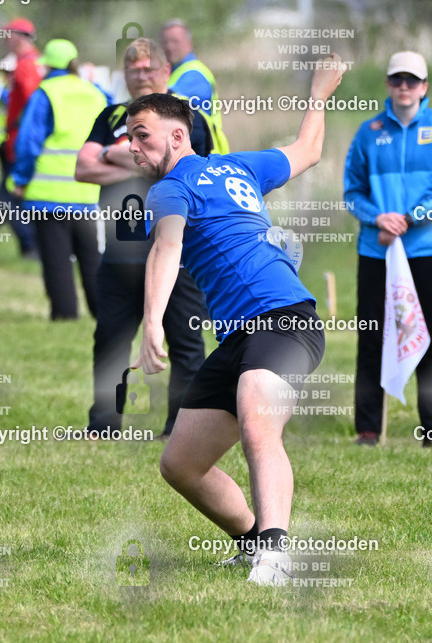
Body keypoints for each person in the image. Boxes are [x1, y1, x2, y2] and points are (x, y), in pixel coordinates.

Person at [130, 54, 346, 585]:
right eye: (129, 137)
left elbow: (167, 247)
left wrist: (152, 320)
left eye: (141, 135)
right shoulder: (237, 166)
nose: (132, 147)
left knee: (257, 418)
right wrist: (318, 94)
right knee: (180, 465)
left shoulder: (169, 188)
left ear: (178, 136)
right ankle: (252, 543)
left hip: (286, 318)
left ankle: (276, 553)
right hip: (236, 336)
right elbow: (308, 150)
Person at [75, 37, 210, 436]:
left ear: (166, 72)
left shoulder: (187, 117)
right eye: (133, 69)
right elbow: (83, 169)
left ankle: (180, 427)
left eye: (149, 68)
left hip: (176, 253)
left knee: (185, 343)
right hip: (121, 250)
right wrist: (144, 164)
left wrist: (115, 156)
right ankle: (103, 424)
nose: (141, 75)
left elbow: (188, 171)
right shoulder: (111, 114)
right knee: (110, 341)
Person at [344, 51, 432, 446]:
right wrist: (378, 219)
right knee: (372, 336)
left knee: (429, 336)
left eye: (412, 80)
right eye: (397, 79)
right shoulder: (368, 132)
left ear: (425, 86)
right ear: (388, 84)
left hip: (428, 248)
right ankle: (367, 428)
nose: (404, 87)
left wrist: (409, 217)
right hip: (376, 249)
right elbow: (353, 193)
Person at [11, 39, 107, 320]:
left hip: (49, 194)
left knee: (57, 260)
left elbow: (29, 142)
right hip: (87, 191)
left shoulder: (45, 93)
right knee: (92, 259)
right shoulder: (96, 92)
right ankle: (104, 312)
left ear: (50, 65)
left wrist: (21, 178)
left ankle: (64, 315)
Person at [0, 18, 42, 257]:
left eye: (7, 34)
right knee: (13, 199)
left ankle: (31, 247)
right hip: (16, 143)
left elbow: (33, 104)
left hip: (19, 144)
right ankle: (30, 249)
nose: (4, 39)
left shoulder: (26, 66)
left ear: (20, 37)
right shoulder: (28, 63)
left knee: (7, 201)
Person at [161, 20, 219, 117]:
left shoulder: (195, 74)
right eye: (165, 42)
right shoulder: (172, 71)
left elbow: (164, 104)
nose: (169, 47)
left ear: (189, 44)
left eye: (175, 41)